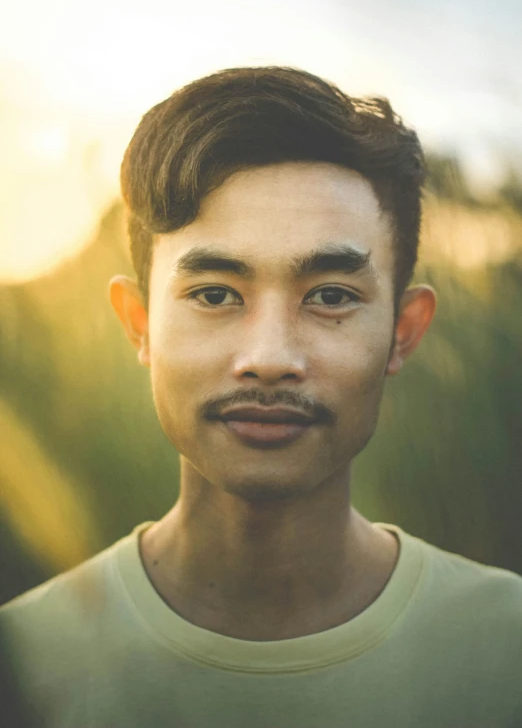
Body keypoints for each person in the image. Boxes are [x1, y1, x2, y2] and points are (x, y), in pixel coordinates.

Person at [1, 66, 521, 728]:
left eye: (331, 295)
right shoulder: (21, 662)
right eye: (215, 294)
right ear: (139, 324)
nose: (270, 358)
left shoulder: (506, 648)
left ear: (402, 331)